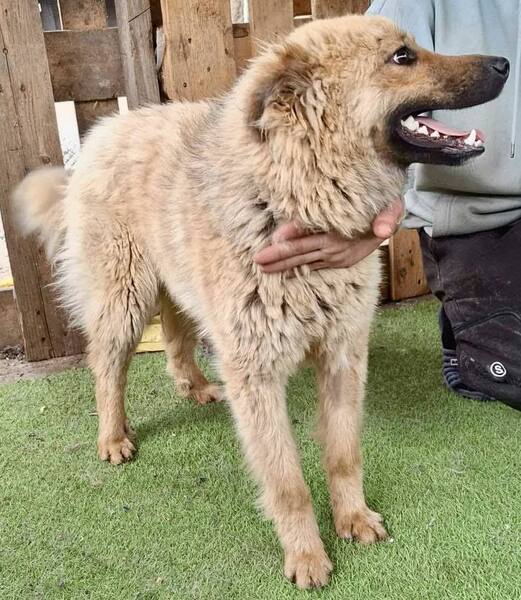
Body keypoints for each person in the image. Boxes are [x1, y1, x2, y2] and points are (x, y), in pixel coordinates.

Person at [254, 0, 521, 410]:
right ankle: (466, 330)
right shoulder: (402, 10)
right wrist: (379, 211)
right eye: (404, 58)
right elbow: (358, 117)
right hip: (478, 225)